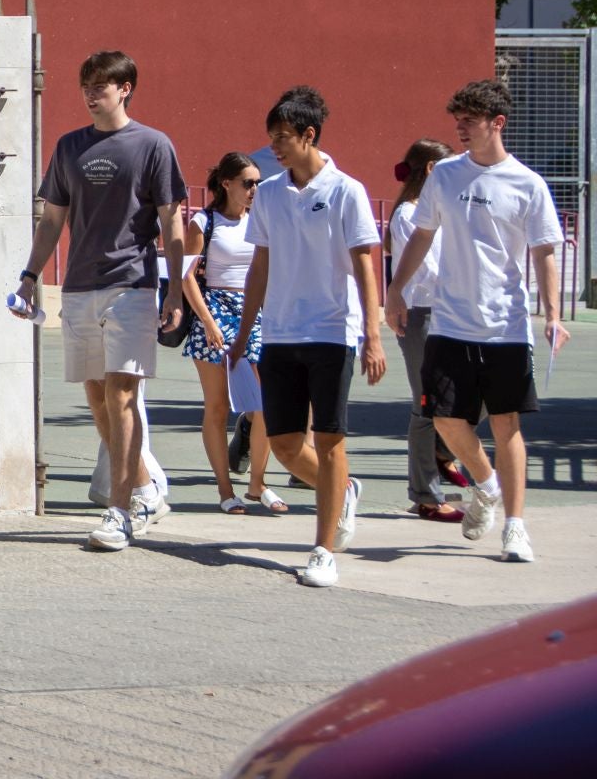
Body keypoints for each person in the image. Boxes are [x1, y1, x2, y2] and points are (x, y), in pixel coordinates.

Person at [386, 79, 567, 564]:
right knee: (444, 419)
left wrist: (552, 314)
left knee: (506, 425)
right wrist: (396, 289)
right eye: (457, 120)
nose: (460, 127)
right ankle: (486, 486)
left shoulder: (527, 183)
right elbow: (422, 235)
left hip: (505, 326)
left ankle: (515, 527)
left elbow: (545, 253)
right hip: (449, 323)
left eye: (469, 119)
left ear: (497, 123)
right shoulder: (445, 175)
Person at [12, 50, 185, 552]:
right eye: (86, 84)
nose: (91, 93)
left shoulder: (153, 145)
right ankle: (146, 487)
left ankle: (119, 510)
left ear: (125, 87)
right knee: (95, 395)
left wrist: (174, 288)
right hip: (80, 286)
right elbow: (51, 221)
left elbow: (172, 220)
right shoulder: (69, 147)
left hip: (132, 284)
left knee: (122, 394)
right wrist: (29, 275)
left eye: (102, 85)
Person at [230, 87, 384, 589]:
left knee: (330, 439)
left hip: (332, 332)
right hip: (279, 333)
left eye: (282, 138)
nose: (273, 146)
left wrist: (373, 335)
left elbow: (364, 263)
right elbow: (261, 263)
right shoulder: (270, 192)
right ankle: (343, 491)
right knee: (284, 445)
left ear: (308, 135)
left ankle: (322, 550)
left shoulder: (347, 191)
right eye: (270, 137)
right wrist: (245, 328)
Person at [183, 152, 286, 514]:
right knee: (217, 407)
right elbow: (186, 276)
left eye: (258, 182)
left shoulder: (261, 220)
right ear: (226, 183)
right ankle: (226, 490)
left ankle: (258, 483)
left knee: (265, 406)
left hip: (255, 314)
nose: (255, 189)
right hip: (214, 312)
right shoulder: (203, 221)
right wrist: (209, 322)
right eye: (248, 182)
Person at [385, 137, 463, 523]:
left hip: (452, 313)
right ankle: (426, 496)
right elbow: (429, 268)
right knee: (426, 404)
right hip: (421, 315)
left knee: (472, 394)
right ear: (432, 170)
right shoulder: (408, 215)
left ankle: (442, 450)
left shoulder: (446, 210)